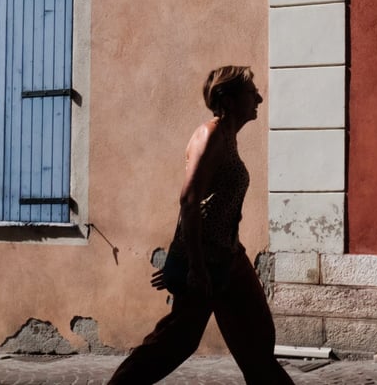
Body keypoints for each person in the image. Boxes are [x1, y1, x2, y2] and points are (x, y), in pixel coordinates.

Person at [108, 66, 294, 385]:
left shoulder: (227, 138)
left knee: (257, 341)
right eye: (252, 92)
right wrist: (191, 265)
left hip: (229, 256)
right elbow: (189, 201)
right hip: (206, 261)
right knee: (175, 342)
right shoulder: (209, 136)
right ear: (230, 99)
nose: (259, 98)